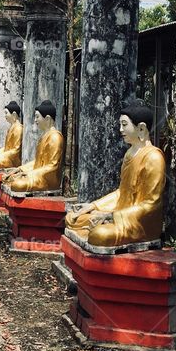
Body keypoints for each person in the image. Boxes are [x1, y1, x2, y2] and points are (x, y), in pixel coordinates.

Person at [65, 99, 165, 249]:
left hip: (139, 223)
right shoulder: (129, 153)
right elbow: (121, 193)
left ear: (141, 129)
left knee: (100, 234)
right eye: (120, 125)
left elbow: (151, 204)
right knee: (72, 218)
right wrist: (93, 206)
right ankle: (96, 224)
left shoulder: (154, 157)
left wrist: (110, 216)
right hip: (119, 214)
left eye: (124, 125)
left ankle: (100, 227)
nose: (120, 130)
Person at [2, 100, 64, 192]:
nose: (35, 120)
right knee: (9, 179)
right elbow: (37, 162)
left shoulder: (55, 137)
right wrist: (20, 169)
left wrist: (29, 173)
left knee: (17, 184)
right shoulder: (44, 136)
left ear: (47, 118)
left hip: (48, 179)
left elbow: (53, 166)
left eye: (37, 117)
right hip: (38, 175)